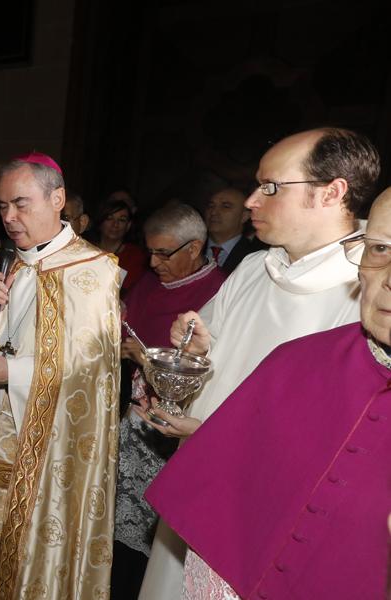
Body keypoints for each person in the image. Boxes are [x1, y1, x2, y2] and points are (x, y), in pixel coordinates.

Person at [135, 127, 381, 599]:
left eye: (270, 187)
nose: (251, 200)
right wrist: (197, 353)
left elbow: (338, 432)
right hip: (203, 481)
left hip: (271, 512)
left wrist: (210, 432)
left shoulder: (367, 296)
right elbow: (212, 362)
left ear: (331, 192)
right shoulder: (253, 268)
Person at [0, 152, 121, 599]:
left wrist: (9, 371)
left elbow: (92, 376)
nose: (9, 218)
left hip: (41, 460)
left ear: (58, 199)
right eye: (1, 206)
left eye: (21, 204)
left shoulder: (94, 272)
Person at [113, 204, 226, 600]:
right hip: (133, 423)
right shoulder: (149, 282)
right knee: (121, 537)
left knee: (158, 545)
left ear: (194, 248)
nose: (155, 262)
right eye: (151, 252)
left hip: (177, 433)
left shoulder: (218, 293)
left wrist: (145, 358)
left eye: (165, 253)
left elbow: (211, 367)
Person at [203, 187, 264, 273]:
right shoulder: (190, 247)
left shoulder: (255, 257)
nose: (213, 212)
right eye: (211, 206)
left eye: (226, 206)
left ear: (244, 216)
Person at [94, 199, 147, 292]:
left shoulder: (135, 255)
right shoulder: (85, 249)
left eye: (122, 220)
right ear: (101, 221)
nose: (115, 224)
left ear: (128, 225)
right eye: (110, 218)